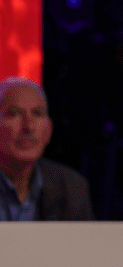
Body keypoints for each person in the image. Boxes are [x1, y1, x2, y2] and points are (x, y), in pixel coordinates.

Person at [0, 76, 94, 221]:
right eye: (14, 113)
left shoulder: (72, 187)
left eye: (37, 113)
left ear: (48, 130)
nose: (28, 126)